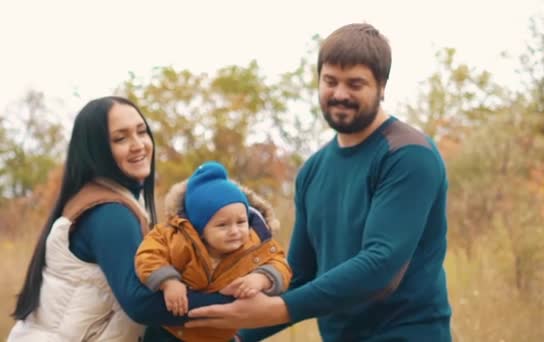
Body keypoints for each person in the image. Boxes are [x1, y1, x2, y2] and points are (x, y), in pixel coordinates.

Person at [186, 23, 453, 341]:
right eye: (330, 81)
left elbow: (381, 266)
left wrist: (278, 309)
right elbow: (299, 273)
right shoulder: (313, 170)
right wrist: (235, 334)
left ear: (381, 87)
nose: (340, 94)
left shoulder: (408, 155)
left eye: (355, 84)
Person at [8, 96, 236, 341]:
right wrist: (236, 300)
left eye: (142, 132)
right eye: (121, 138)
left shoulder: (104, 199)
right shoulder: (109, 211)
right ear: (96, 150)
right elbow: (140, 303)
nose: (138, 144)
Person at [134, 161, 292, 342]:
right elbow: (148, 254)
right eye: (222, 225)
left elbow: (280, 264)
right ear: (199, 229)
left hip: (220, 336)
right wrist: (168, 281)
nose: (234, 231)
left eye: (241, 222)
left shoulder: (255, 246)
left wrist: (262, 278)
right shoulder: (176, 238)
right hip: (169, 333)